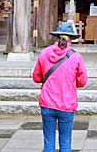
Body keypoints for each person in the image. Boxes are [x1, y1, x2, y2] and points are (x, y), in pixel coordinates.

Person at [32, 22, 88, 152]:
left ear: (57, 37)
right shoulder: (76, 57)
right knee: (65, 142)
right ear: (71, 39)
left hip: (47, 103)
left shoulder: (44, 54)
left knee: (49, 141)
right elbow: (82, 81)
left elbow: (36, 77)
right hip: (66, 103)